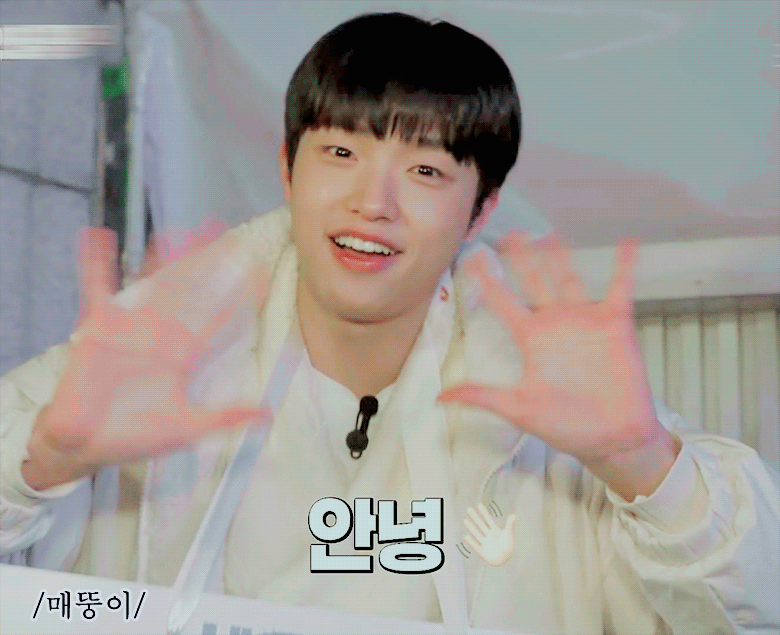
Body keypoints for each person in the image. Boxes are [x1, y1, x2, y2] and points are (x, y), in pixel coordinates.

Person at [2, 11, 779, 634]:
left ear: (482, 210)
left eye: (426, 170)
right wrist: (43, 460)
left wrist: (644, 463)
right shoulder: (154, 360)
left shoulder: (556, 408)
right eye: (341, 152)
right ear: (287, 169)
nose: (372, 203)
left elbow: (750, 610)